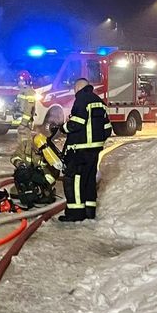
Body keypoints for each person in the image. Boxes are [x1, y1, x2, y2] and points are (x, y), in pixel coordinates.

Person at [57, 78, 112, 222]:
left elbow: (77, 123)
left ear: (78, 88)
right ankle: (89, 211)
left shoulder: (81, 100)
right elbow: (107, 129)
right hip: (94, 151)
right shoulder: (100, 102)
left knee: (74, 180)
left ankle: (75, 214)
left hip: (79, 150)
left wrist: (63, 128)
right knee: (89, 181)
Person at [14, 70, 36, 159]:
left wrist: (23, 123)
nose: (20, 83)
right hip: (21, 123)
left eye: (22, 81)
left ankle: (28, 161)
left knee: (26, 142)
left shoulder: (30, 92)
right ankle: (24, 159)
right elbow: (19, 106)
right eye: (19, 81)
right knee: (21, 142)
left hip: (25, 124)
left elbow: (28, 109)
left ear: (27, 81)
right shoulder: (21, 91)